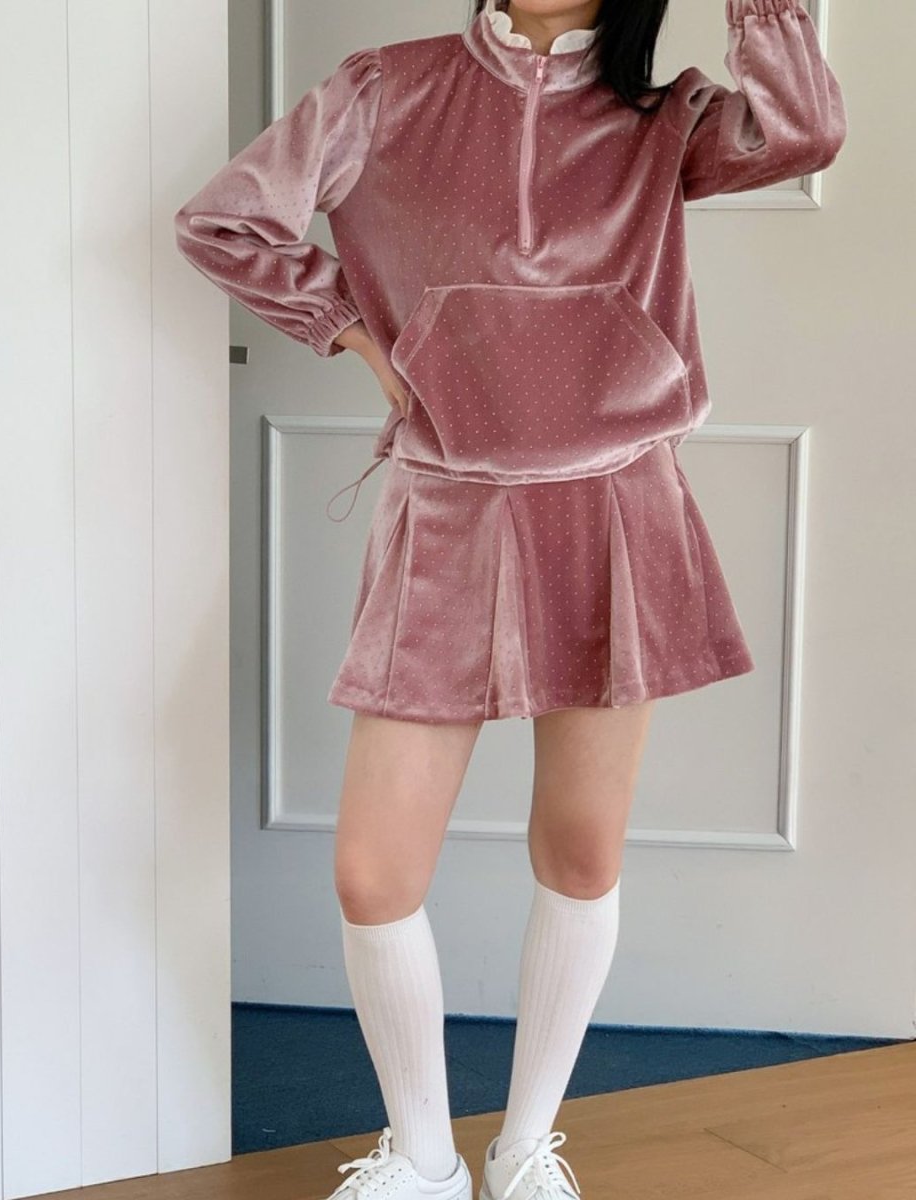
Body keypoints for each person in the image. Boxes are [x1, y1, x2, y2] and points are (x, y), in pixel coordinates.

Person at [174, 1, 847, 1196]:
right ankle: (424, 1157)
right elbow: (225, 220)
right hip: (449, 510)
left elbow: (804, 131)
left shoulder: (667, 117)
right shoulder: (385, 88)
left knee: (581, 852)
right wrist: (356, 334)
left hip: (615, 507)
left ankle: (526, 1146)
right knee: (375, 872)